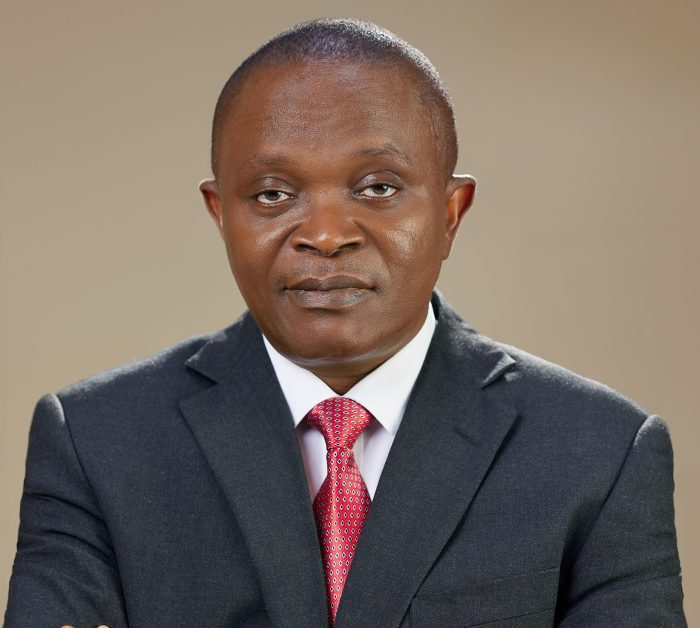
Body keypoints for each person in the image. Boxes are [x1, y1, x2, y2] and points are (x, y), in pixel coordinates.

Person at [4, 18, 686, 628]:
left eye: (378, 188)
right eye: (273, 194)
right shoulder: (95, 442)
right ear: (221, 214)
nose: (327, 235)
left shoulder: (602, 452)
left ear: (451, 213)